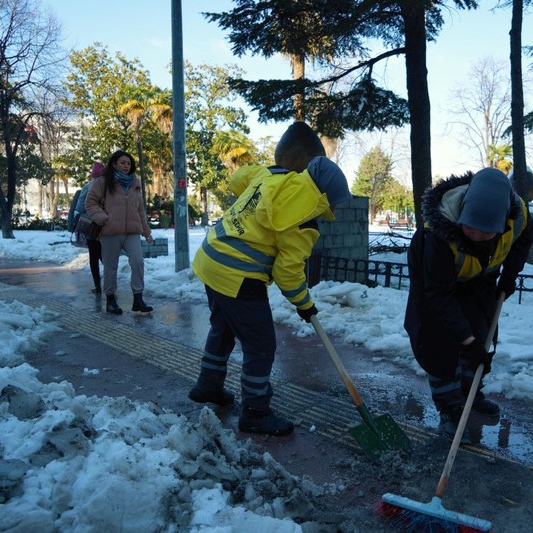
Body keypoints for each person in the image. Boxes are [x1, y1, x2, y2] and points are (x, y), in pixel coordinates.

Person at [189, 127, 351, 437]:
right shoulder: (304, 220)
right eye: (336, 202)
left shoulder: (269, 177)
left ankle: (208, 385)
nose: (337, 209)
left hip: (211, 258)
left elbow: (239, 179)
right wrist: (305, 304)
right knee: (261, 345)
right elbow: (287, 273)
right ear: (323, 196)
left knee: (223, 327)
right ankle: (256, 412)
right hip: (239, 274)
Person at [404, 167, 533, 443]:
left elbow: (522, 241)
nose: (477, 236)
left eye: (486, 233)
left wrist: (509, 275)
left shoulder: (518, 215)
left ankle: (469, 393)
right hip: (435, 283)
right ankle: (450, 407)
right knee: (439, 343)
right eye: (471, 228)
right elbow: (438, 296)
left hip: (481, 279)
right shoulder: (437, 234)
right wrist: (466, 341)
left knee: (482, 332)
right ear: (462, 213)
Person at [84, 150, 154, 315]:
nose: (126, 166)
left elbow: (139, 209)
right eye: (123, 163)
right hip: (110, 230)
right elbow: (90, 202)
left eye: (129, 163)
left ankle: (138, 298)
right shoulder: (102, 181)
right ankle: (110, 300)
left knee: (138, 262)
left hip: (132, 231)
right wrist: (102, 217)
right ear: (114, 163)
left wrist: (146, 230)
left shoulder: (134, 183)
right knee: (110, 266)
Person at [74, 162, 105, 293]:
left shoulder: (88, 186)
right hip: (105, 225)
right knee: (105, 257)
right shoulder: (108, 187)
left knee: (94, 257)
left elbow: (80, 207)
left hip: (92, 228)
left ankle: (97, 285)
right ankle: (110, 283)